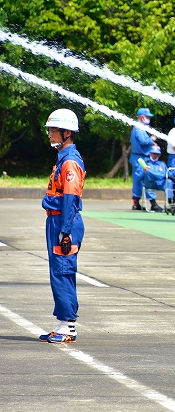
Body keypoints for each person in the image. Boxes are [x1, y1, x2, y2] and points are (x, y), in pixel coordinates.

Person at [39, 109, 86, 343]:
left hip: (64, 222)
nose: (49, 134)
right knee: (58, 272)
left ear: (67, 133)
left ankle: (68, 326)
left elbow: (70, 199)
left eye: (53, 130)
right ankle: (63, 323)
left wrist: (65, 231)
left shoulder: (69, 163)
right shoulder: (63, 159)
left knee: (62, 272)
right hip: (57, 220)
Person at [129, 107, 157, 210]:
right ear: (141, 117)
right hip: (140, 158)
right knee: (143, 178)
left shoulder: (139, 127)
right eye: (147, 116)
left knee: (139, 179)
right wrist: (152, 139)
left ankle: (137, 202)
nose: (148, 118)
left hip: (139, 157)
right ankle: (150, 203)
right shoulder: (139, 127)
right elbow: (143, 141)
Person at [133, 145, 169, 213]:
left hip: (160, 184)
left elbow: (163, 175)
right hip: (149, 184)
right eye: (153, 153)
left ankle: (169, 204)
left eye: (157, 154)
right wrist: (144, 173)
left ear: (159, 155)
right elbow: (138, 177)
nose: (155, 155)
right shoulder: (145, 163)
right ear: (150, 153)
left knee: (169, 182)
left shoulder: (162, 164)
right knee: (147, 176)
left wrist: (150, 173)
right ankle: (153, 204)